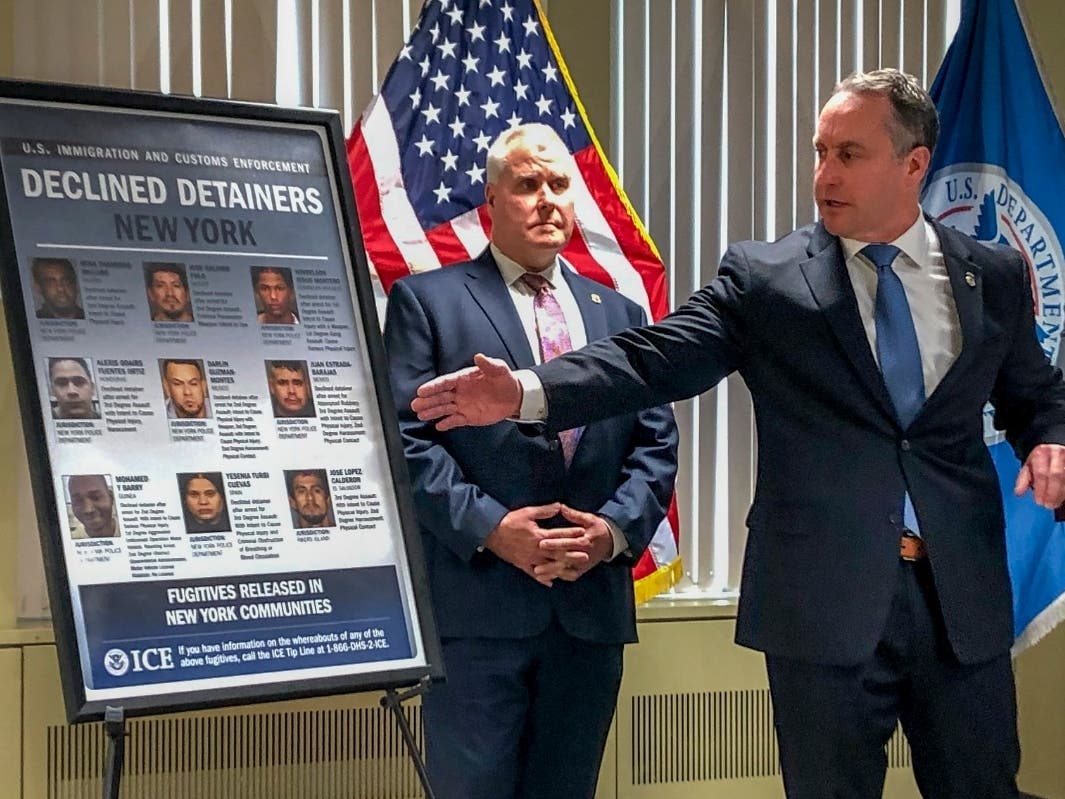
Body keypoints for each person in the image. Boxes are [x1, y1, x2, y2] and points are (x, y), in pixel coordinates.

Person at [411, 72, 1065, 799]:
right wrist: (525, 391)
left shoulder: (990, 274)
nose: (824, 175)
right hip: (824, 604)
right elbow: (651, 358)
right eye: (819, 152)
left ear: (913, 164)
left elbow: (1036, 395)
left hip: (959, 600)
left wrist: (1051, 438)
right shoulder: (770, 279)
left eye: (848, 154)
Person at [385, 123, 678, 799]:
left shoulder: (622, 314)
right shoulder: (428, 303)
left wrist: (610, 532)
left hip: (588, 609)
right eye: (527, 184)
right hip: (478, 610)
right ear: (492, 199)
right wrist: (492, 528)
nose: (547, 199)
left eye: (558, 184)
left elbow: (655, 443)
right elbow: (406, 442)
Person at [67, 474, 119, 538]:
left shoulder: (128, 528)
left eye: (95, 497)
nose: (87, 510)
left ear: (111, 498)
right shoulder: (71, 539)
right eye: (78, 500)